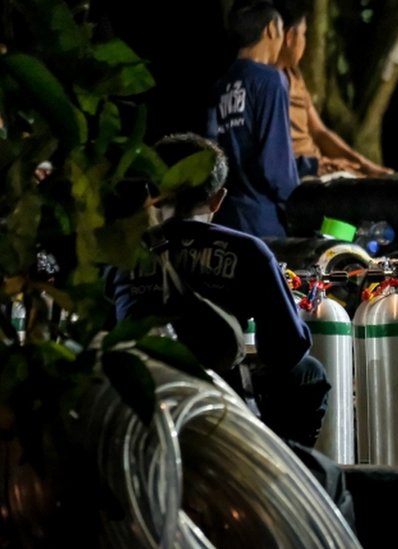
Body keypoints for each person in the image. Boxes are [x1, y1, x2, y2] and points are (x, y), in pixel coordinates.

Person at [108, 132, 330, 447]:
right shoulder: (247, 250)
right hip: (217, 392)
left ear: (152, 191)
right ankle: (281, 470)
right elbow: (287, 349)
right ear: (217, 199)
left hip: (138, 389)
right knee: (309, 374)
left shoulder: (123, 252)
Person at [206, 0, 298, 237]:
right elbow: (275, 165)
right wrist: (297, 206)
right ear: (270, 29)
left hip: (227, 218)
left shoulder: (220, 86)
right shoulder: (271, 80)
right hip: (264, 220)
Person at [273, 0, 393, 179]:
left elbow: (320, 132)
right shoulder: (266, 83)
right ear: (290, 36)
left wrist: (364, 165)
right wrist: (313, 166)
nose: (304, 43)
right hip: (300, 174)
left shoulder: (293, 74)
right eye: (304, 35)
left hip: (319, 167)